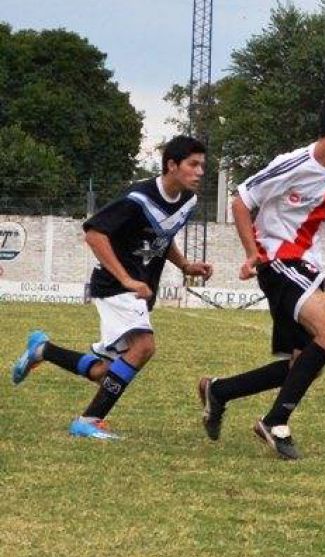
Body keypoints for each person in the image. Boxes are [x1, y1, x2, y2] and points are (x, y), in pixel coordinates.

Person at [197, 91, 325, 460]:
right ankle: (275, 422)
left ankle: (220, 391)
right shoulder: (293, 164)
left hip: (308, 266)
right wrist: (252, 253)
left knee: (302, 364)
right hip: (278, 261)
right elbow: (241, 200)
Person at [11, 136, 212, 439]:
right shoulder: (137, 198)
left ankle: (43, 350)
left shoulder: (188, 200)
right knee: (143, 347)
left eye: (202, 166)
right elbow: (94, 233)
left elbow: (162, 235)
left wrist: (184, 265)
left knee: (106, 373)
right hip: (116, 286)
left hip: (140, 290)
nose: (200, 172)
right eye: (193, 165)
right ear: (172, 165)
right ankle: (89, 421)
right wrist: (127, 279)